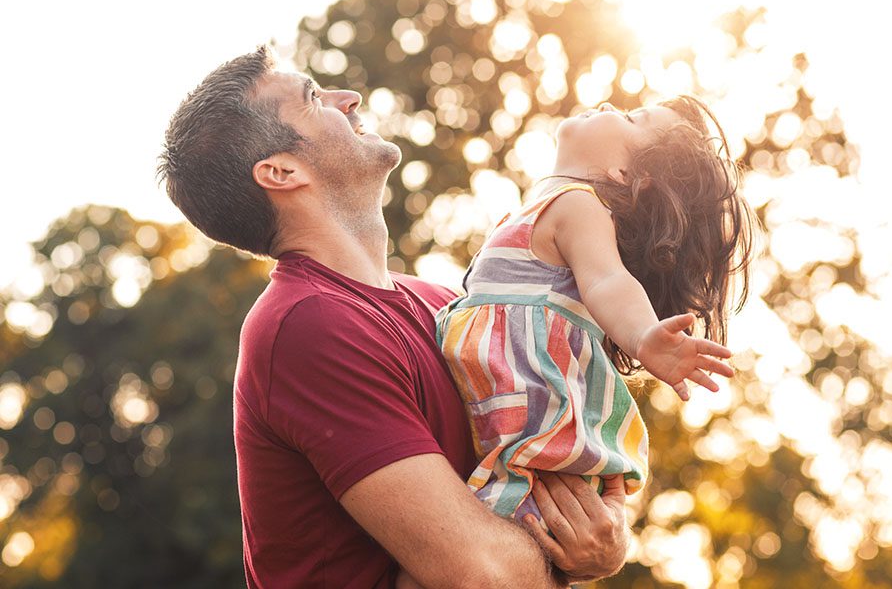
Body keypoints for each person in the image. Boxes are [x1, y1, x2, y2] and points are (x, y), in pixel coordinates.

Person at [158, 46, 629, 588]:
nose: (348, 98)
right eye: (315, 98)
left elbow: (562, 456)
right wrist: (557, 561)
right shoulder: (305, 327)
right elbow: (485, 577)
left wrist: (606, 537)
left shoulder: (444, 304)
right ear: (281, 171)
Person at [434, 97, 756, 548]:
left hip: (532, 452)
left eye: (628, 118)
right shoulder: (532, 213)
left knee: (443, 561)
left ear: (629, 179)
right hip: (511, 446)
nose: (607, 104)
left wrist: (644, 335)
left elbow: (608, 280)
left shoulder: (577, 206)